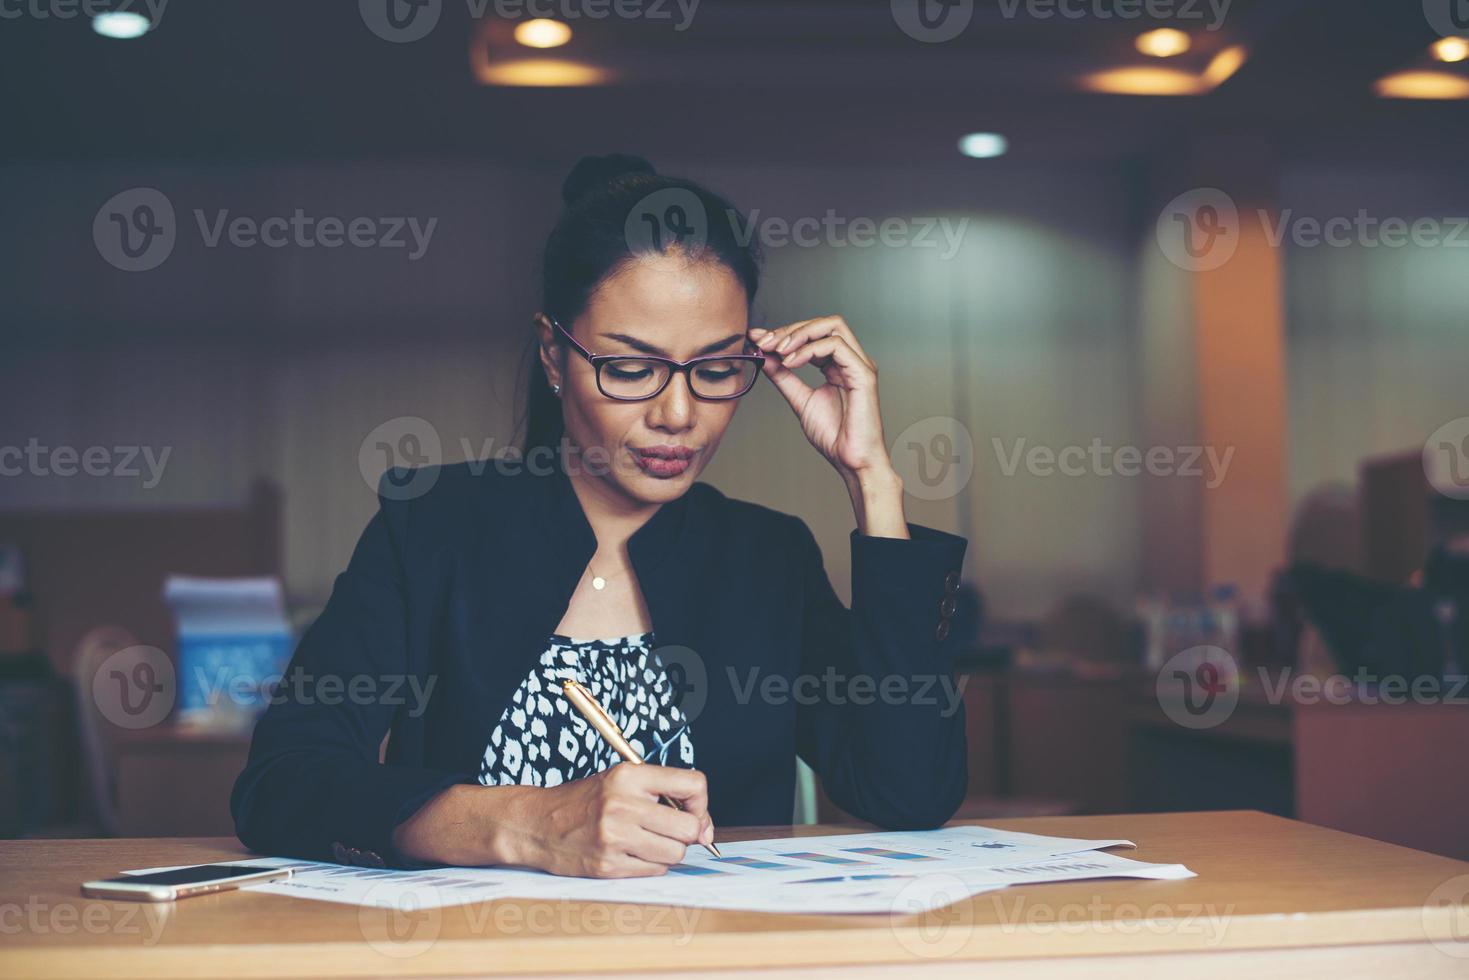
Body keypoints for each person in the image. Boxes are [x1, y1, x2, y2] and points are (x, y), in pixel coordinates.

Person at [230, 154, 969, 877]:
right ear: (554, 354)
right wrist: (528, 825)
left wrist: (872, 480)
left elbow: (906, 791)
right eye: (630, 367)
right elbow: (284, 782)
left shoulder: (765, 555)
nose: (677, 414)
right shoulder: (431, 528)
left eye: (714, 369)